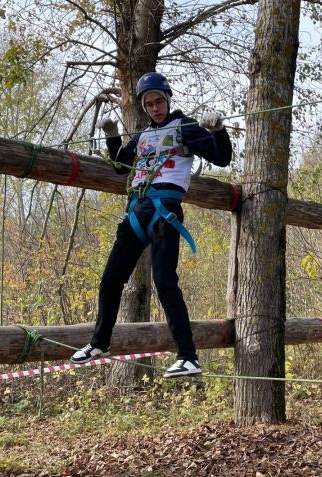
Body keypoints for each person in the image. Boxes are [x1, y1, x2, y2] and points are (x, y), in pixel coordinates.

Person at [71, 72, 233, 378]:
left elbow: (221, 157)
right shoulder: (144, 135)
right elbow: (121, 166)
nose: (155, 107)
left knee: (164, 281)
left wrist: (218, 131)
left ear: (168, 99)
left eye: (159, 101)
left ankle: (188, 357)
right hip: (137, 211)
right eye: (149, 104)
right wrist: (111, 136)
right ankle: (99, 342)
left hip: (165, 210)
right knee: (110, 279)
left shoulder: (184, 126)